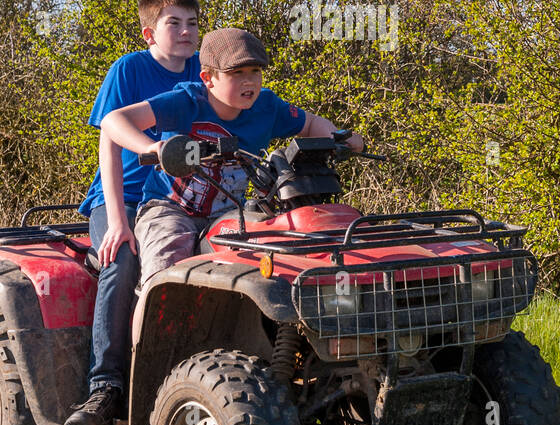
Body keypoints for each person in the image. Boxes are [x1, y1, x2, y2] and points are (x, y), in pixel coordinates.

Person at [100, 26, 364, 290]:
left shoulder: (266, 107)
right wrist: (154, 148)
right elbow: (114, 120)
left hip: (231, 214)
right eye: (236, 73)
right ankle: (151, 327)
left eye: (255, 72)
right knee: (166, 271)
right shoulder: (186, 101)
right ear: (208, 77)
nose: (249, 81)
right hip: (170, 210)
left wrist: (340, 138)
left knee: (274, 257)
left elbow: (310, 124)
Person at [64, 0, 201, 425]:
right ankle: (105, 389)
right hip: (122, 195)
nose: (185, 32)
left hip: (183, 197)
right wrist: (119, 222)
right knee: (120, 260)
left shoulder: (208, 72)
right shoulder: (129, 69)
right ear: (149, 33)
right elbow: (109, 134)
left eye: (193, 23)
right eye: (173, 23)